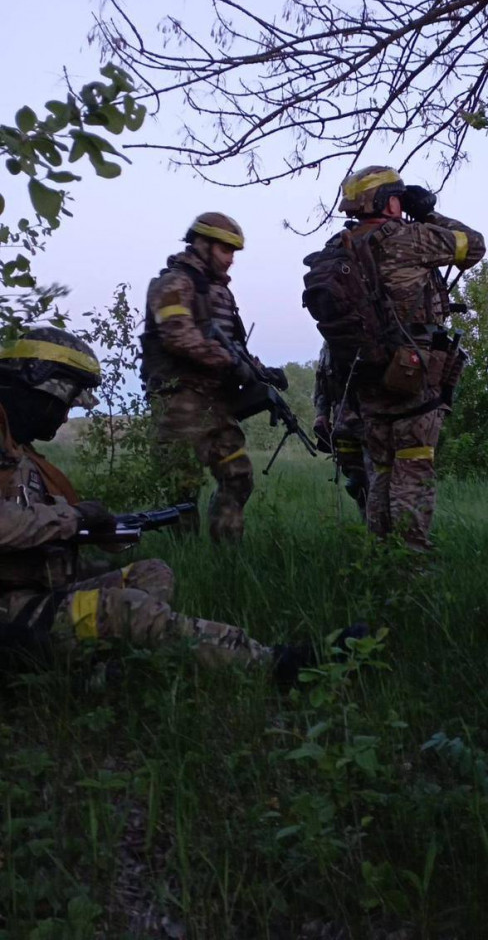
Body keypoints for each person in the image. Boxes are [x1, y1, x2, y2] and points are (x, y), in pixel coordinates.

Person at [0, 327, 338, 677]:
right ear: (34, 380)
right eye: (65, 397)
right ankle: (274, 665)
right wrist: (74, 517)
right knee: (126, 608)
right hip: (10, 611)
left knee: (152, 574)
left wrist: (103, 530)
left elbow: (36, 525)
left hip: (33, 591)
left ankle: (99, 667)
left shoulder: (23, 456)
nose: (66, 416)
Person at [325, 166, 485, 552]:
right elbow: (474, 246)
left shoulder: (338, 247)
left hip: (363, 378)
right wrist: (427, 212)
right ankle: (410, 566)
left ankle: (381, 558)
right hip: (411, 376)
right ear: (389, 201)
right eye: (398, 196)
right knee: (413, 465)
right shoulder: (409, 238)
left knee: (380, 469)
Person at [141, 212, 287, 542]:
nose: (231, 260)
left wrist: (262, 371)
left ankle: (226, 556)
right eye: (225, 250)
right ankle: (185, 562)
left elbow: (233, 344)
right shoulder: (174, 283)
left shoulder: (219, 292)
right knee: (182, 491)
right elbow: (177, 335)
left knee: (239, 476)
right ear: (201, 244)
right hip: (179, 401)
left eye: (233, 252)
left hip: (216, 404)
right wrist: (228, 361)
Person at [313, 342, 372, 517]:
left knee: (378, 478)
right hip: (343, 426)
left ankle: (387, 534)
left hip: (370, 421)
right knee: (356, 483)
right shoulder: (327, 346)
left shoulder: (368, 333)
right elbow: (323, 381)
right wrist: (321, 414)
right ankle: (369, 530)